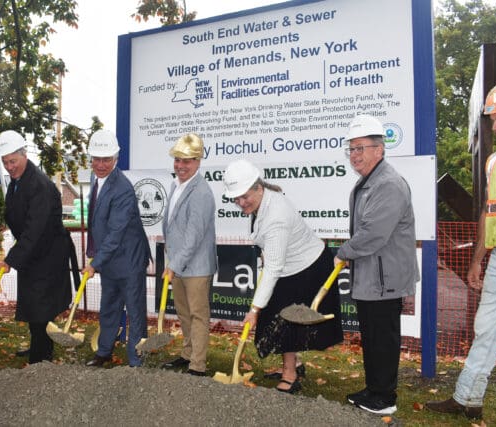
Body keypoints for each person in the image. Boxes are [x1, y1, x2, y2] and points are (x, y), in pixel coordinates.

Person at [426, 81, 496, 427]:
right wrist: (478, 259)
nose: (495, 127)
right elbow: (487, 212)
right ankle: (468, 400)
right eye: (492, 120)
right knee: (486, 330)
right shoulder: (494, 161)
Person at [223, 159, 343, 394]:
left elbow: (274, 268)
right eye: (236, 198)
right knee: (279, 318)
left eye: (244, 196)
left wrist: (254, 310)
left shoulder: (276, 215)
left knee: (285, 320)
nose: (240, 203)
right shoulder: (262, 202)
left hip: (308, 268)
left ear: (258, 187)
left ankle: (291, 374)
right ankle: (294, 363)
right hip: (290, 266)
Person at [335, 114, 419, 415]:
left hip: (386, 278)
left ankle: (384, 398)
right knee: (371, 335)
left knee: (382, 336)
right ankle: (374, 388)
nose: (355, 155)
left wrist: (343, 252)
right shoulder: (368, 182)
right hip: (370, 276)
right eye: (352, 149)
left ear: (379, 150)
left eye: (361, 148)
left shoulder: (388, 185)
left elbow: (372, 234)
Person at [0, 130, 72, 364]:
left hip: (47, 255)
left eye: (13, 161)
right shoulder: (18, 182)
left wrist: (10, 259)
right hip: (32, 255)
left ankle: (42, 357)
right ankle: (37, 346)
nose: (9, 166)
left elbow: (34, 230)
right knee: (32, 304)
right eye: (6, 162)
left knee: (41, 308)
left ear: (24, 155)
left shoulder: (39, 185)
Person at [83, 129, 151, 368]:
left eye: (106, 159)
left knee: (135, 312)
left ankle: (136, 361)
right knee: (109, 307)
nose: (101, 164)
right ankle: (103, 352)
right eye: (97, 159)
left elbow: (115, 233)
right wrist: (95, 256)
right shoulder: (97, 180)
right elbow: (97, 223)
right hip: (110, 262)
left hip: (129, 261)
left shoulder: (122, 188)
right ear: (90, 158)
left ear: (116, 158)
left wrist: (95, 263)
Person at [159, 134, 217, 376]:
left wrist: (174, 265)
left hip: (196, 268)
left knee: (198, 315)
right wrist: (173, 263)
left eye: (187, 161)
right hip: (179, 265)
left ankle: (198, 365)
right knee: (184, 314)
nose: (181, 166)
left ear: (198, 162)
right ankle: (187, 353)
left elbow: (193, 236)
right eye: (177, 160)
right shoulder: (176, 186)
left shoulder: (201, 192)